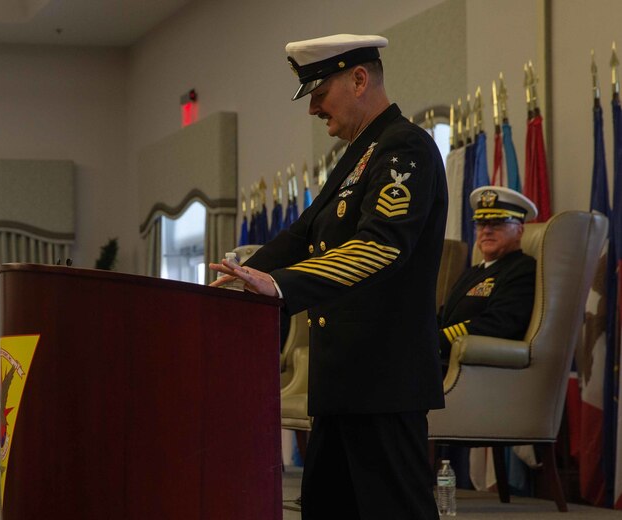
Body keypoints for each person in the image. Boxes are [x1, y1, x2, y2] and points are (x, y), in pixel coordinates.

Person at [211, 34, 447, 519]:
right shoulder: (361, 154)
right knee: (324, 508)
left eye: (319, 94)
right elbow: (301, 235)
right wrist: (240, 278)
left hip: (384, 380)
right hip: (342, 381)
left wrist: (280, 286)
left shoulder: (405, 147)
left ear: (359, 79)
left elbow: (380, 245)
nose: (313, 109)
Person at [438, 186, 537, 365]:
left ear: (520, 231)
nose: (487, 231)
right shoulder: (472, 272)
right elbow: (444, 316)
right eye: (481, 224)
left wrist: (438, 341)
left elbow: (500, 323)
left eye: (497, 223)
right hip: (442, 358)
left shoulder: (523, 269)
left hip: (473, 365)